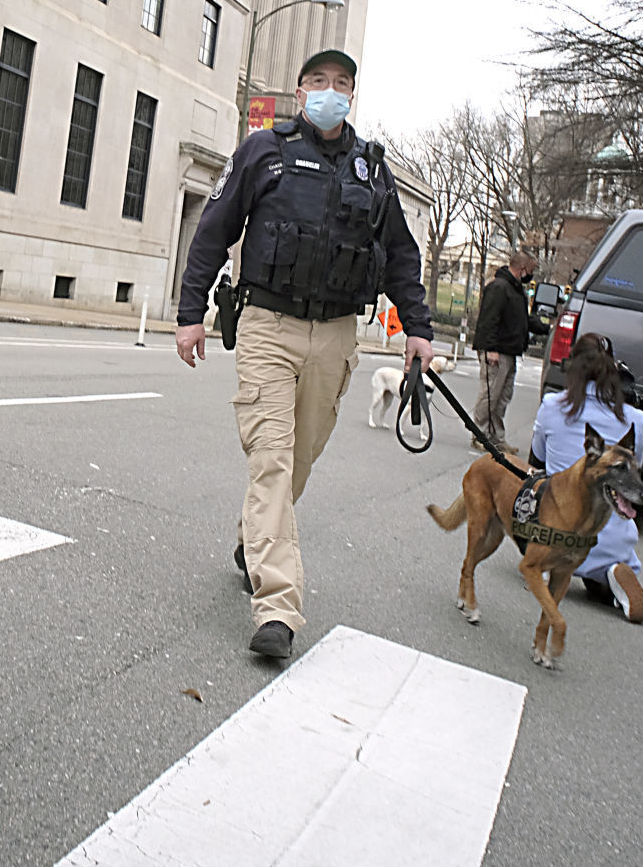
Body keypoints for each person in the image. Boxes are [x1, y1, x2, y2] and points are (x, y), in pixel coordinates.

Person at [176, 50, 435, 659]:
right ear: (299, 91)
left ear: (353, 96)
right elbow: (214, 228)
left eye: (342, 84)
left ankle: (253, 539)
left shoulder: (373, 169)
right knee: (272, 458)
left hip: (337, 334)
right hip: (267, 323)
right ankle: (277, 607)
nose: (330, 92)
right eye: (319, 82)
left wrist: (417, 329)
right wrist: (191, 315)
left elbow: (399, 253)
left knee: (302, 457)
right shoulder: (263, 151)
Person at [530, 333, 643, 622]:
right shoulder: (635, 419)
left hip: (556, 533)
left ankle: (541, 561)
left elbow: (538, 460)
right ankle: (610, 571)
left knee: (537, 484)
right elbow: (633, 472)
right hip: (610, 536)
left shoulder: (552, 406)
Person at [470, 249, 543, 453]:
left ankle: (495, 436)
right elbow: (488, 320)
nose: (531, 274)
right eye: (530, 269)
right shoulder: (499, 288)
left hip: (510, 351)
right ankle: (480, 433)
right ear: (522, 268)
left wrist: (546, 328)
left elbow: (522, 321)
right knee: (491, 394)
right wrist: (491, 348)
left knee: (502, 397)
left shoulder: (514, 289)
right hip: (497, 351)